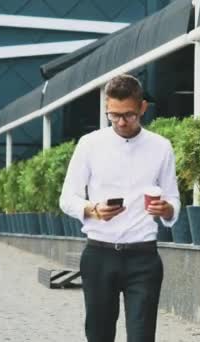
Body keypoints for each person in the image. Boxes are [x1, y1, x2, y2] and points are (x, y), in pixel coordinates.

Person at [59, 74, 180, 342]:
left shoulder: (161, 147)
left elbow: (173, 199)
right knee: (99, 335)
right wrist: (92, 209)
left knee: (142, 336)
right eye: (113, 116)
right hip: (99, 254)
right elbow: (67, 198)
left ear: (142, 108)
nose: (121, 122)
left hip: (143, 257)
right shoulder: (89, 144)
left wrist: (166, 210)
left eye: (129, 115)